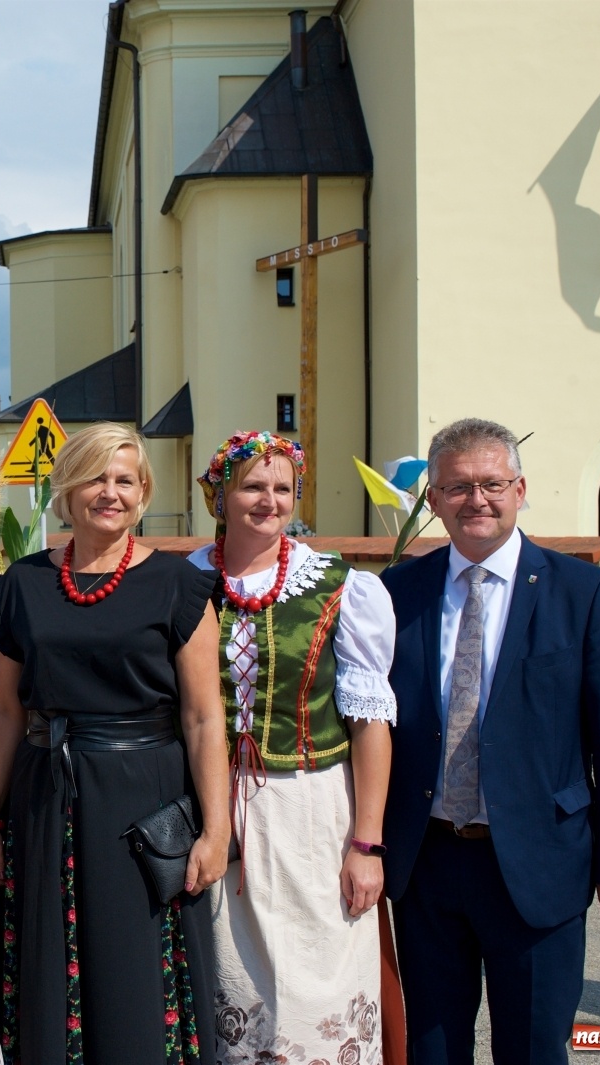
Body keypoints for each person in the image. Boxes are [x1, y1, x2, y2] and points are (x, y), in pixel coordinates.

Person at [381, 417, 600, 1065]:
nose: (477, 499)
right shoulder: (396, 593)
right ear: (435, 499)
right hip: (428, 864)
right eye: (458, 487)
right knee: (433, 1047)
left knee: (532, 1047)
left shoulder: (584, 592)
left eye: (493, 484)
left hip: (539, 863)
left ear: (520, 488)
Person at [0, 421, 230, 1065]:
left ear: (143, 492)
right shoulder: (24, 583)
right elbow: (5, 710)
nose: (110, 492)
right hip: (45, 797)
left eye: (125, 479)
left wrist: (217, 830)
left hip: (143, 799)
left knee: (135, 963)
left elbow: (203, 717)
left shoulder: (179, 586)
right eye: (95, 477)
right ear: (67, 488)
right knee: (45, 962)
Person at [187, 430, 397, 1065]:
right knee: (231, 972)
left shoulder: (341, 586)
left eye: (282, 489)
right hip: (214, 806)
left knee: (319, 966)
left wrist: (366, 844)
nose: (267, 501)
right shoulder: (185, 582)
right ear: (219, 495)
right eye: (252, 486)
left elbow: (370, 724)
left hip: (311, 806)